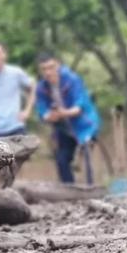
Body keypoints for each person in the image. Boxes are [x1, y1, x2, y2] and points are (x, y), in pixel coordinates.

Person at [36, 52, 101, 184]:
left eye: (51, 67)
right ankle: (70, 190)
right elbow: (42, 112)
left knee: (87, 156)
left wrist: (63, 113)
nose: (48, 72)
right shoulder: (41, 88)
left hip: (84, 124)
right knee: (62, 159)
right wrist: (50, 116)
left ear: (58, 65)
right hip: (63, 128)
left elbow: (79, 106)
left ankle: (91, 188)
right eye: (44, 69)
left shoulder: (72, 79)